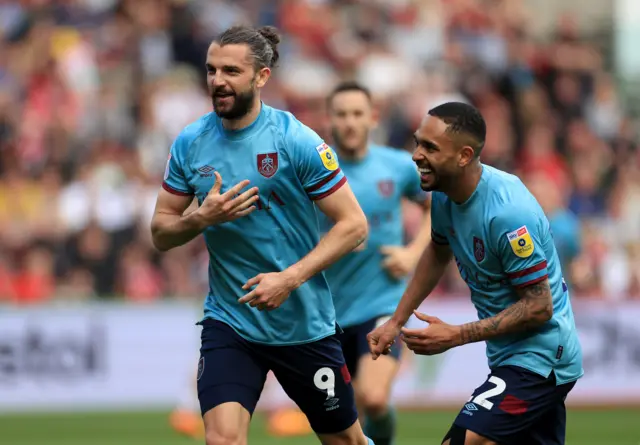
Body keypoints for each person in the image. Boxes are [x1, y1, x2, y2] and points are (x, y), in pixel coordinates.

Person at [151, 25, 376, 445]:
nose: (218, 80)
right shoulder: (190, 142)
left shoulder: (296, 141)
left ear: (261, 77)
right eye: (212, 70)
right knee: (223, 440)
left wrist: (289, 279)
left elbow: (354, 225)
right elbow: (161, 231)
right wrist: (201, 219)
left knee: (346, 441)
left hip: (303, 327)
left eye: (231, 71)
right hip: (231, 321)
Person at [367, 102, 583, 445]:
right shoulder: (443, 193)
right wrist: (396, 320)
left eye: (430, 148)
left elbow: (540, 307)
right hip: (507, 356)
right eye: (417, 142)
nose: (417, 155)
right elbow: (437, 252)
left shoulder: (508, 214)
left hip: (540, 359)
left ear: (464, 155)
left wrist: (456, 335)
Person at [268, 82, 432, 444]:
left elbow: (436, 209)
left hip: (382, 304)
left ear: (372, 118)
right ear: (329, 120)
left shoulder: (397, 167)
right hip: (326, 314)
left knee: (371, 397)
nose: (350, 122)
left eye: (357, 114)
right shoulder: (311, 169)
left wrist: (413, 252)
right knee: (343, 417)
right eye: (341, 114)